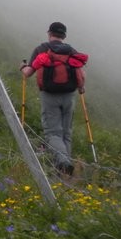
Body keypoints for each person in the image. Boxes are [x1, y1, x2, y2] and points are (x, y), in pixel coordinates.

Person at [20, 22, 86, 177]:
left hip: (49, 95)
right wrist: (81, 88)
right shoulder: (71, 51)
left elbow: (28, 73)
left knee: (52, 133)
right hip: (69, 95)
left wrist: (22, 67)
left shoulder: (41, 49)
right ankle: (63, 170)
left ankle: (63, 163)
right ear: (64, 36)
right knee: (66, 133)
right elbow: (81, 74)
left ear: (49, 34)